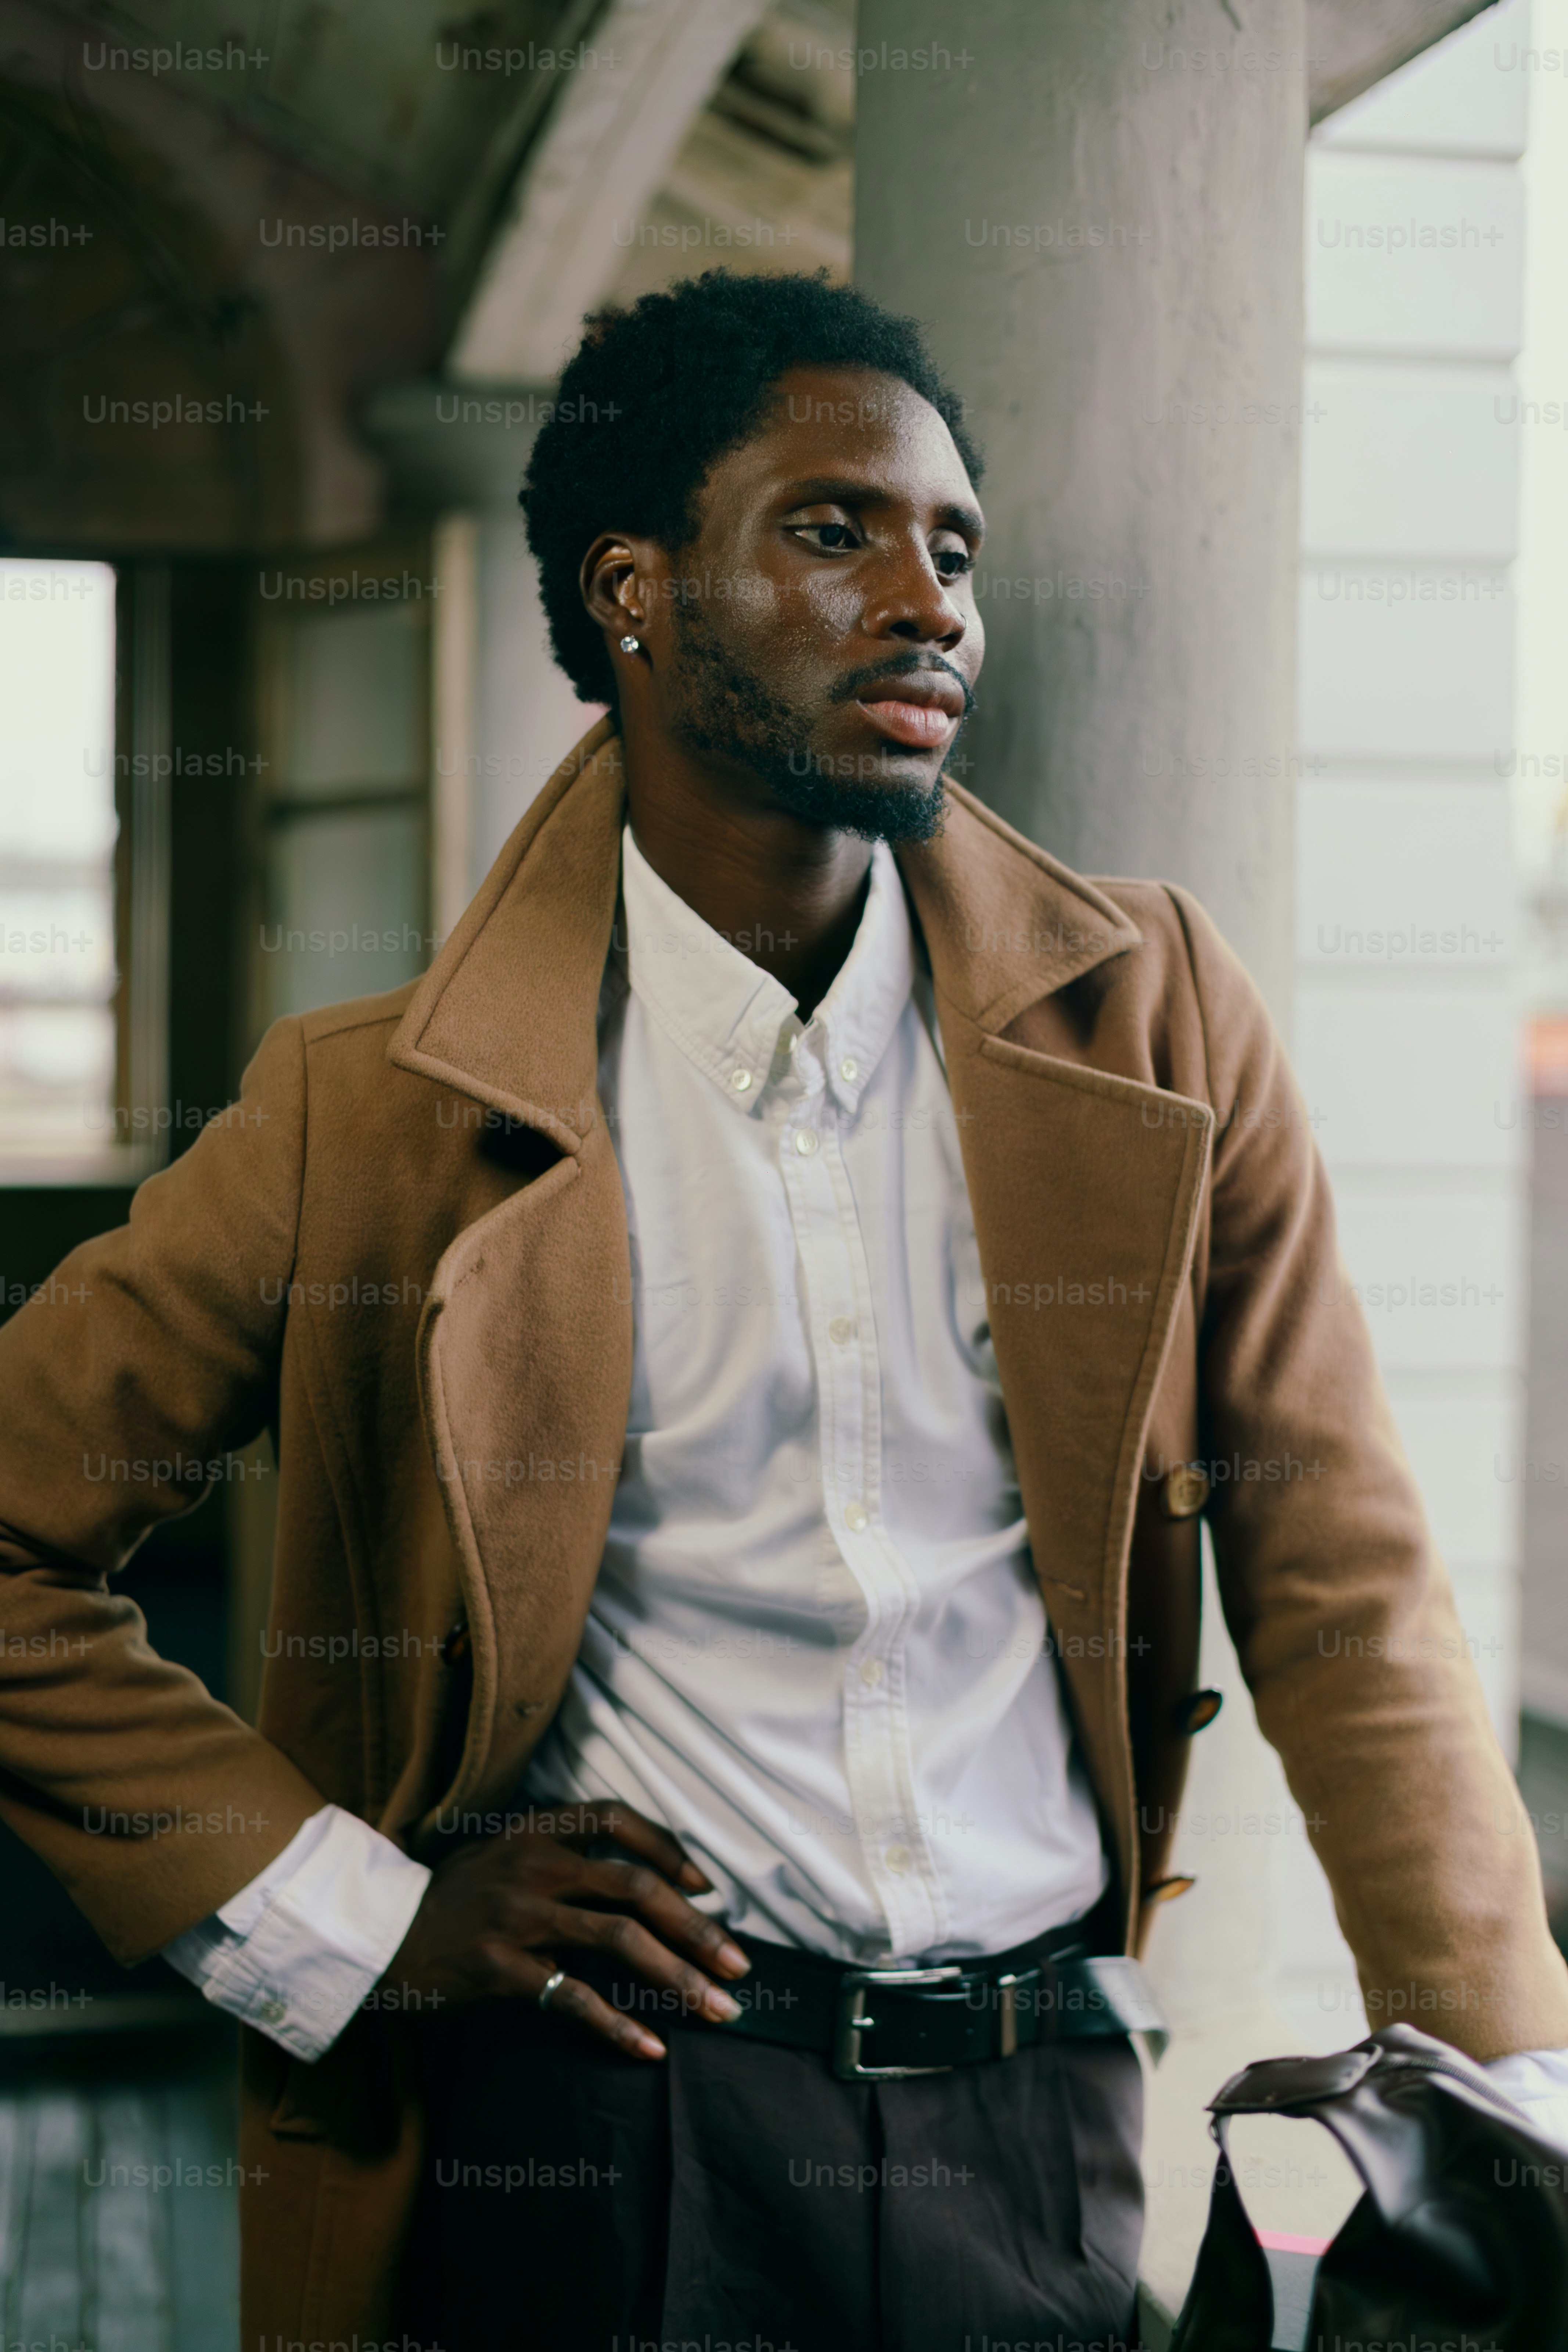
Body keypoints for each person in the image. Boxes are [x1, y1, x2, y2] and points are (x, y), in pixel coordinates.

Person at [1, 269, 1565, 2352]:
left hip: (1046, 2126)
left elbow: (1343, 1579)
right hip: (612, 2141)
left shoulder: (1162, 1024)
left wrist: (1513, 2105)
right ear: (635, 592)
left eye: (956, 546)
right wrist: (364, 1915)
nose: (932, 602)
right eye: (834, 530)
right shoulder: (362, 1109)